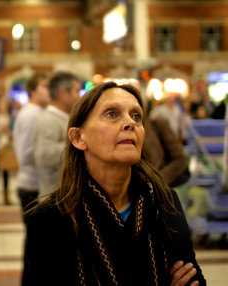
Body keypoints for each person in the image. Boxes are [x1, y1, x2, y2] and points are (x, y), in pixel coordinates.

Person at [23, 82, 205, 285]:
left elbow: (192, 279)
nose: (130, 123)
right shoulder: (49, 219)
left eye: (136, 116)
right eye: (112, 114)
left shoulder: (163, 200)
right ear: (78, 137)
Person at [33, 71, 81, 198]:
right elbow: (44, 155)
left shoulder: (64, 117)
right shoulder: (49, 120)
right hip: (54, 200)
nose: (79, 97)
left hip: (65, 197)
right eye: (76, 91)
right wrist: (80, 145)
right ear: (63, 94)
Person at [13, 72, 51, 222]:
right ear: (32, 91)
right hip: (32, 186)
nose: (50, 90)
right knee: (35, 242)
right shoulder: (30, 115)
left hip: (38, 185)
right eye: (45, 86)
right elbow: (25, 155)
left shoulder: (39, 113)